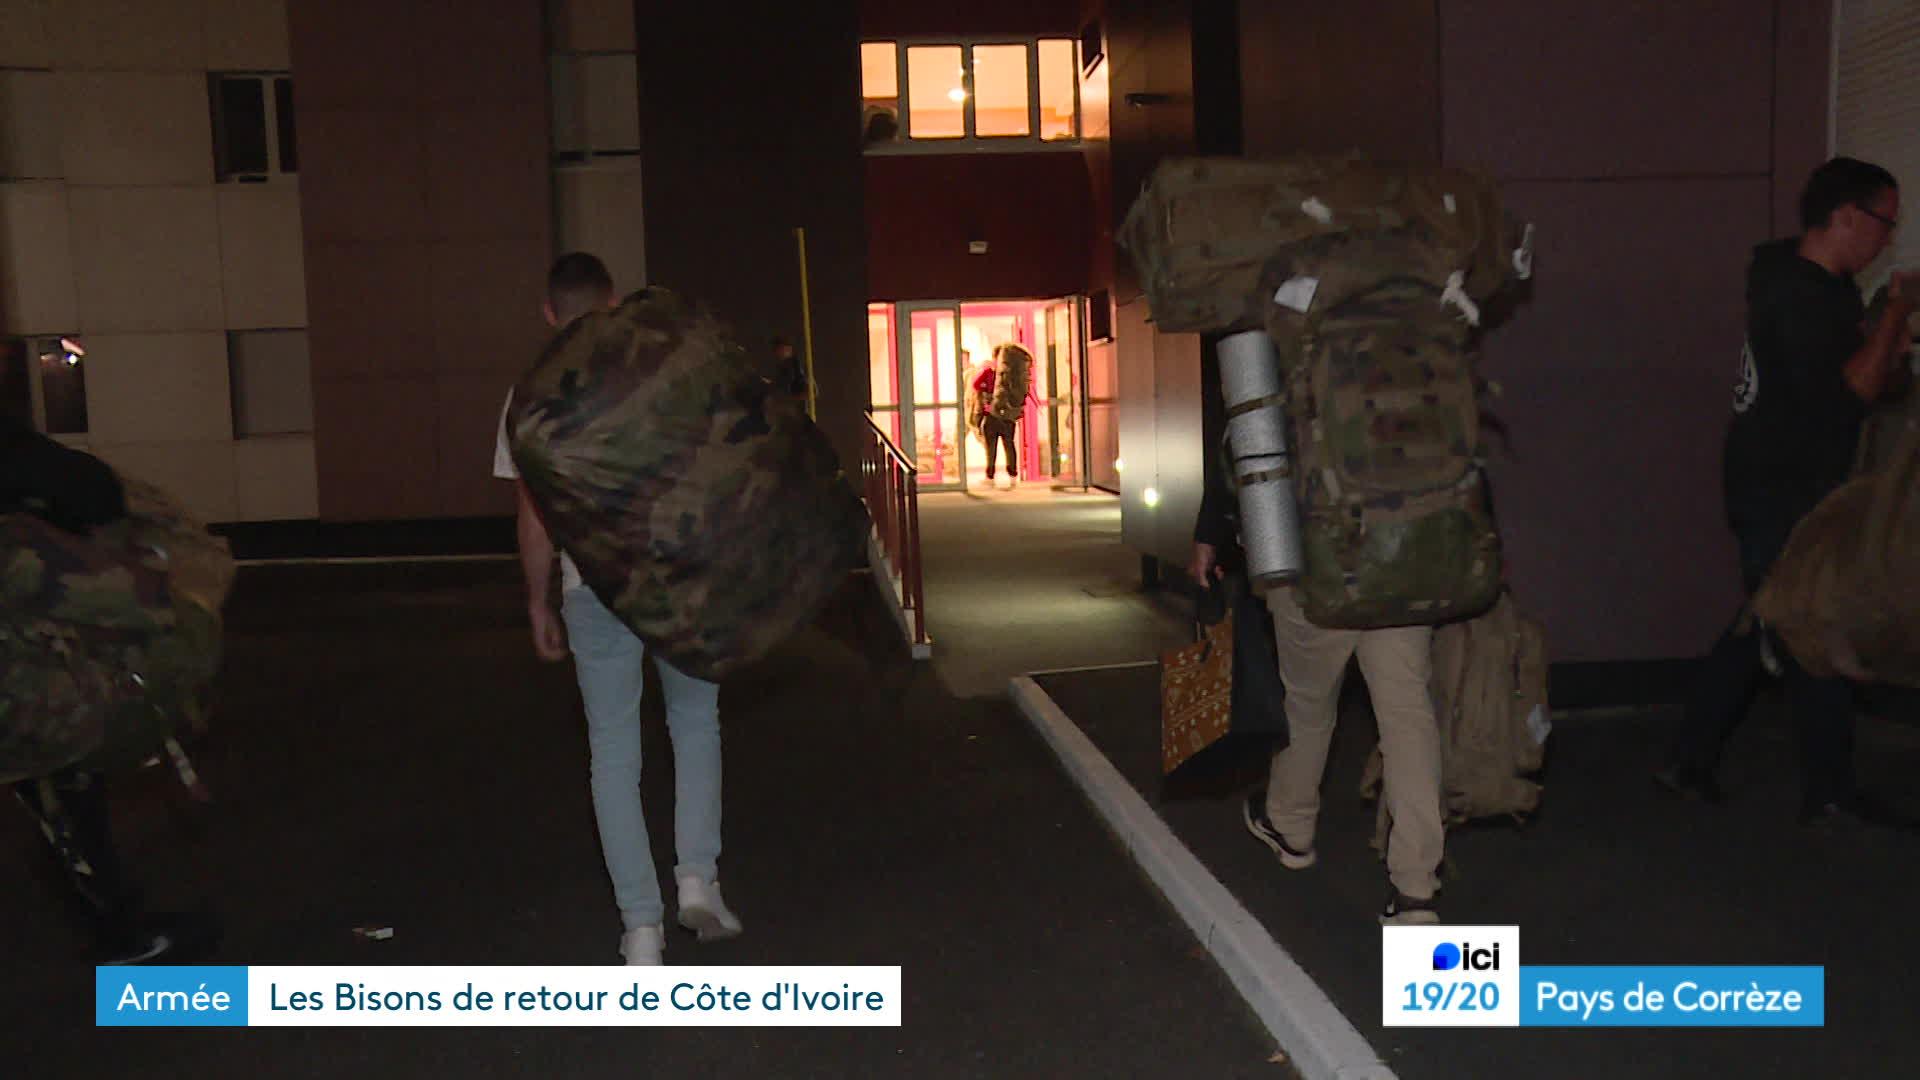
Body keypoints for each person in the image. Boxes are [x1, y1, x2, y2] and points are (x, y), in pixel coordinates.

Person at [494, 253, 742, 964]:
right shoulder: (662, 372)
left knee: (613, 753)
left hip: (594, 589)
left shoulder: (528, 397)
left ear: (549, 313)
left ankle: (640, 927)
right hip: (680, 579)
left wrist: (539, 600)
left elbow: (535, 514)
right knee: (695, 723)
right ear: (614, 305)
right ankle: (698, 879)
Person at [1659, 157, 1916, 825]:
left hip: (1801, 483)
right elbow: (1847, 395)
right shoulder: (1795, 293)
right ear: (1849, 217)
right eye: (1886, 222)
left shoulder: (1820, 288)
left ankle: (1688, 759)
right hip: (1777, 486)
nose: (1888, 237)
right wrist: (1895, 312)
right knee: (1811, 624)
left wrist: (1888, 341)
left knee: (1770, 618)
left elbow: (1865, 380)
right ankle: (1828, 789)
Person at [3, 410, 220, 964]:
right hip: (27, 708)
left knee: (60, 785)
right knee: (61, 772)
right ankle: (121, 934)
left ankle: (119, 927)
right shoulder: (21, 545)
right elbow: (146, 600)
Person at [1191, 479, 1445, 925]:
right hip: (1408, 551)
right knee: (1408, 717)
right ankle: (1416, 888)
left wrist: (1211, 535)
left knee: (1308, 702)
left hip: (1313, 555)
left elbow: (1244, 450)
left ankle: (1291, 826)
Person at [974, 347, 1020, 490]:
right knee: (1007, 445)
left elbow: (977, 385)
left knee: (993, 447)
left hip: (994, 415)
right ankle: (1011, 476)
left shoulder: (991, 373)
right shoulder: (1011, 374)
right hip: (1006, 416)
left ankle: (991, 477)